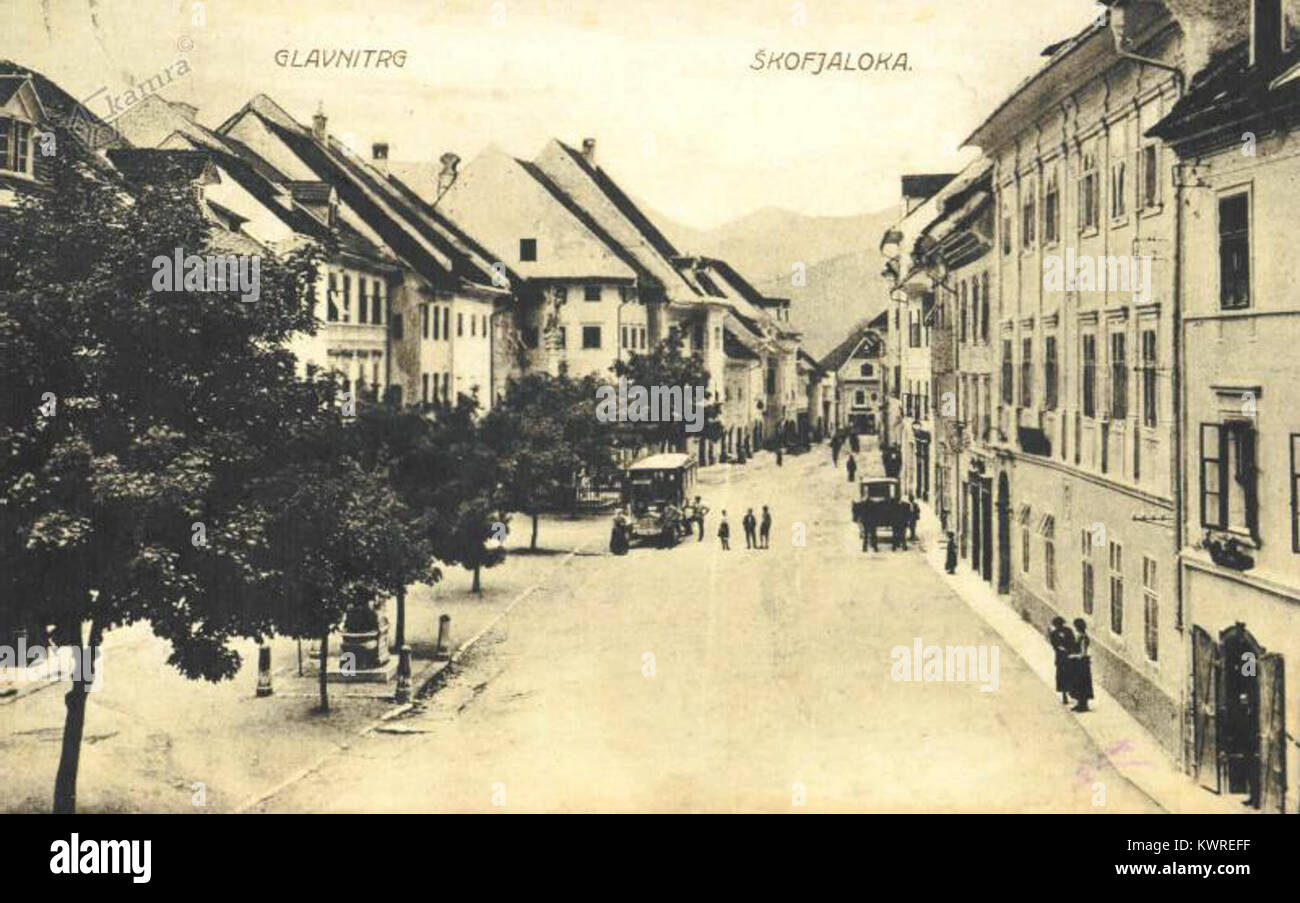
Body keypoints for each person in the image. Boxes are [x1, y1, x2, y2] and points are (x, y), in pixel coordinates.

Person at [1048, 617, 1076, 706]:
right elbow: (1054, 645)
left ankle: (1070, 692)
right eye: (1057, 625)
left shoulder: (1068, 631)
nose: (1058, 626)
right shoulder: (1053, 634)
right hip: (1060, 657)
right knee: (1061, 675)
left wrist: (1069, 649)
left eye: (1059, 624)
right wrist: (1061, 648)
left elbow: (1073, 641)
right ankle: (1064, 695)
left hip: (1068, 656)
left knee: (1070, 674)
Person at [1070, 618, 1094, 712]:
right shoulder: (1080, 636)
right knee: (1077, 684)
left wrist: (1073, 656)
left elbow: (1083, 653)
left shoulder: (1083, 638)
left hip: (1082, 663)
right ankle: (1079, 704)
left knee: (1082, 684)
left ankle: (1083, 705)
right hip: (1078, 663)